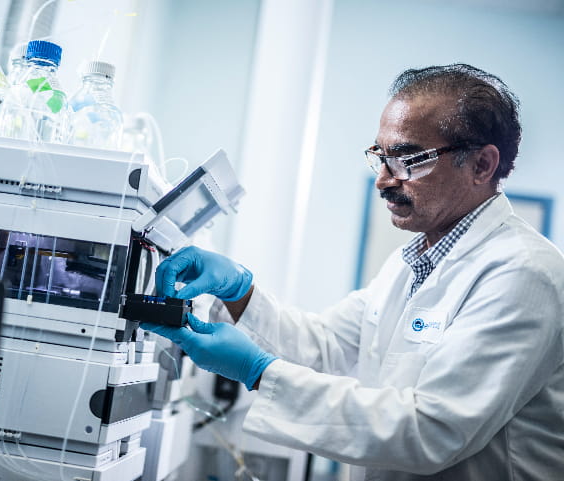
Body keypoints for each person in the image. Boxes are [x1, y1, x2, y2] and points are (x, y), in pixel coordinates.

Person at [141, 64, 564, 480]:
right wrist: (240, 292)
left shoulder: (524, 275)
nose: (383, 180)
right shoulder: (409, 263)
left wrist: (257, 371)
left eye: (407, 159)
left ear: (481, 166)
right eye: (381, 157)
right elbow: (324, 348)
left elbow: (433, 430)